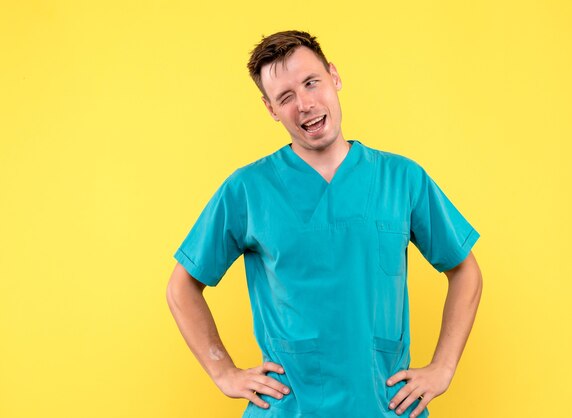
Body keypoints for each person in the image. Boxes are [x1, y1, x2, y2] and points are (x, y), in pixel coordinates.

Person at [166, 30, 483, 418]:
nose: (304, 104)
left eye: (311, 82)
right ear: (270, 109)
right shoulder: (248, 190)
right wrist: (223, 372)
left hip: (382, 406)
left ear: (334, 76)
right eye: (285, 97)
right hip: (288, 409)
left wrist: (443, 367)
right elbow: (182, 286)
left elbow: (465, 269)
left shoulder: (402, 179)